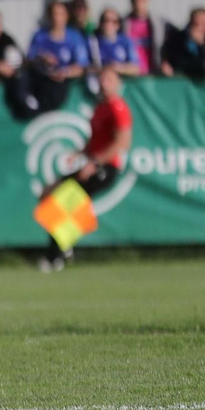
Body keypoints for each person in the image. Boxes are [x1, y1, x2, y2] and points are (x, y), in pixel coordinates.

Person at [38, 66, 132, 272]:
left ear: (117, 84)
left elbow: (122, 142)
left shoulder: (118, 107)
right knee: (49, 194)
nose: (103, 83)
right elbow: (95, 140)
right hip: (91, 163)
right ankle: (64, 247)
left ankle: (55, 255)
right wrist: (81, 153)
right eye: (102, 78)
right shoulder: (100, 107)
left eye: (108, 79)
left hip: (105, 168)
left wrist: (95, 163)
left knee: (65, 202)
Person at [23, 0, 90, 115]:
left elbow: (82, 66)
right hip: (42, 83)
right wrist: (42, 59)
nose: (57, 18)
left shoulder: (75, 37)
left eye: (60, 14)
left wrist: (65, 73)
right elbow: (28, 60)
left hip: (65, 85)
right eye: (54, 14)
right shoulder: (40, 36)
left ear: (67, 16)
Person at [90, 8, 140, 76]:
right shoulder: (93, 42)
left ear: (118, 25)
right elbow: (85, 67)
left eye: (114, 21)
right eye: (106, 20)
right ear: (100, 23)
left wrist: (118, 68)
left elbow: (135, 68)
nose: (109, 24)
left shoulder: (125, 42)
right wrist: (105, 69)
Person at [160, 9, 205, 81]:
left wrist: (201, 45)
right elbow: (176, 62)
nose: (199, 27)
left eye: (203, 24)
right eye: (196, 24)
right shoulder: (178, 39)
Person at [125, 0, 158, 76]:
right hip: (131, 75)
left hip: (153, 74)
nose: (139, 3)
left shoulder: (159, 24)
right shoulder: (123, 24)